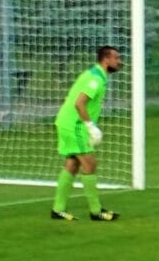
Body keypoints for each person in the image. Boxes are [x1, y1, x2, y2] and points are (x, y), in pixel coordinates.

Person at [51, 46, 121, 222]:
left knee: (73, 164)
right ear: (106, 60)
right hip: (75, 125)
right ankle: (96, 211)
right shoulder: (95, 80)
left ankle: (58, 209)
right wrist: (91, 127)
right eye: (116, 58)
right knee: (90, 164)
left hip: (67, 122)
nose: (119, 62)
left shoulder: (93, 74)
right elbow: (79, 104)